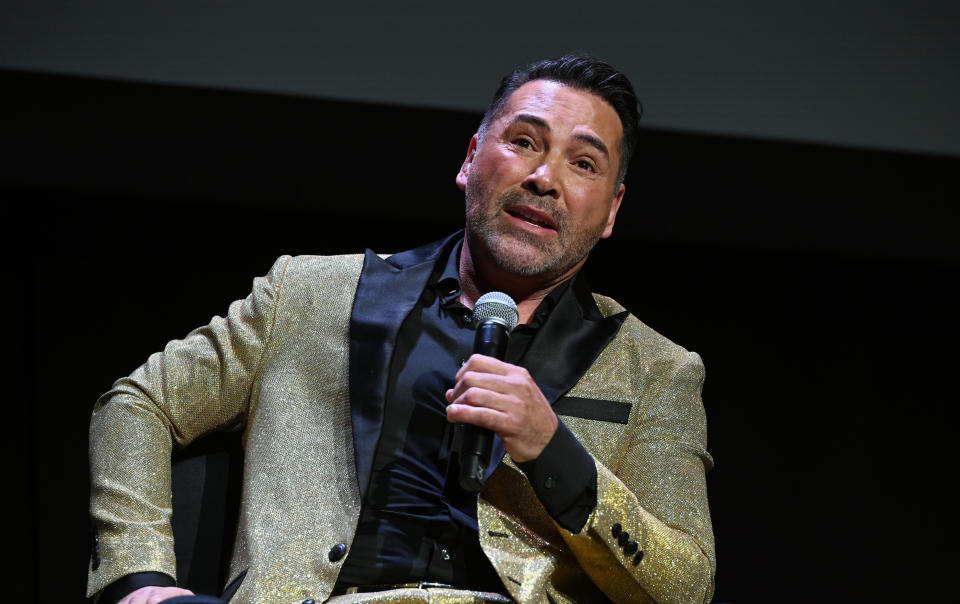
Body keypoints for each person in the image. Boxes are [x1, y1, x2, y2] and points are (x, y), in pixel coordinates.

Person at [88, 53, 715, 604]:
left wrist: (556, 453)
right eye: (523, 142)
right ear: (471, 159)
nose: (544, 178)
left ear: (611, 211)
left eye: (583, 163)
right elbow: (140, 403)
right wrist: (135, 575)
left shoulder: (656, 370)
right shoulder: (309, 294)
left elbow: (685, 587)